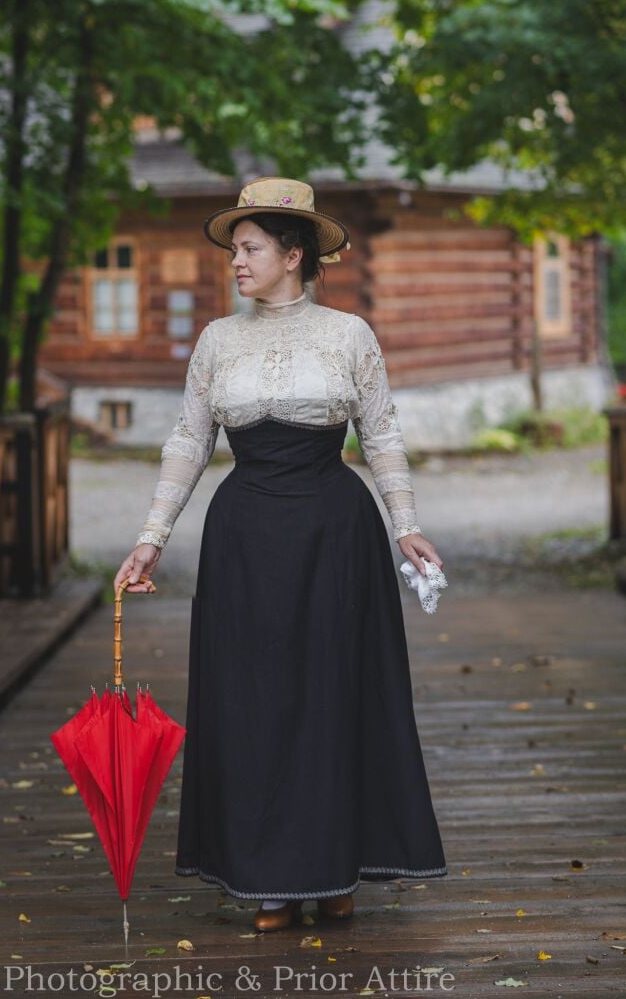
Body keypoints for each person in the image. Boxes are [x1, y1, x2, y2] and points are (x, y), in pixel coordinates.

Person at [114, 176, 447, 933]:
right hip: (243, 537)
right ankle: (267, 876)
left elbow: (383, 435)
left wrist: (406, 525)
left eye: (250, 248)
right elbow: (190, 440)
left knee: (331, 694)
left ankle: (333, 872)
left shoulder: (349, 335)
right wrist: (150, 539)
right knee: (251, 700)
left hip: (334, 534)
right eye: (235, 249)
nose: (236, 261)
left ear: (292, 255)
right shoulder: (216, 340)